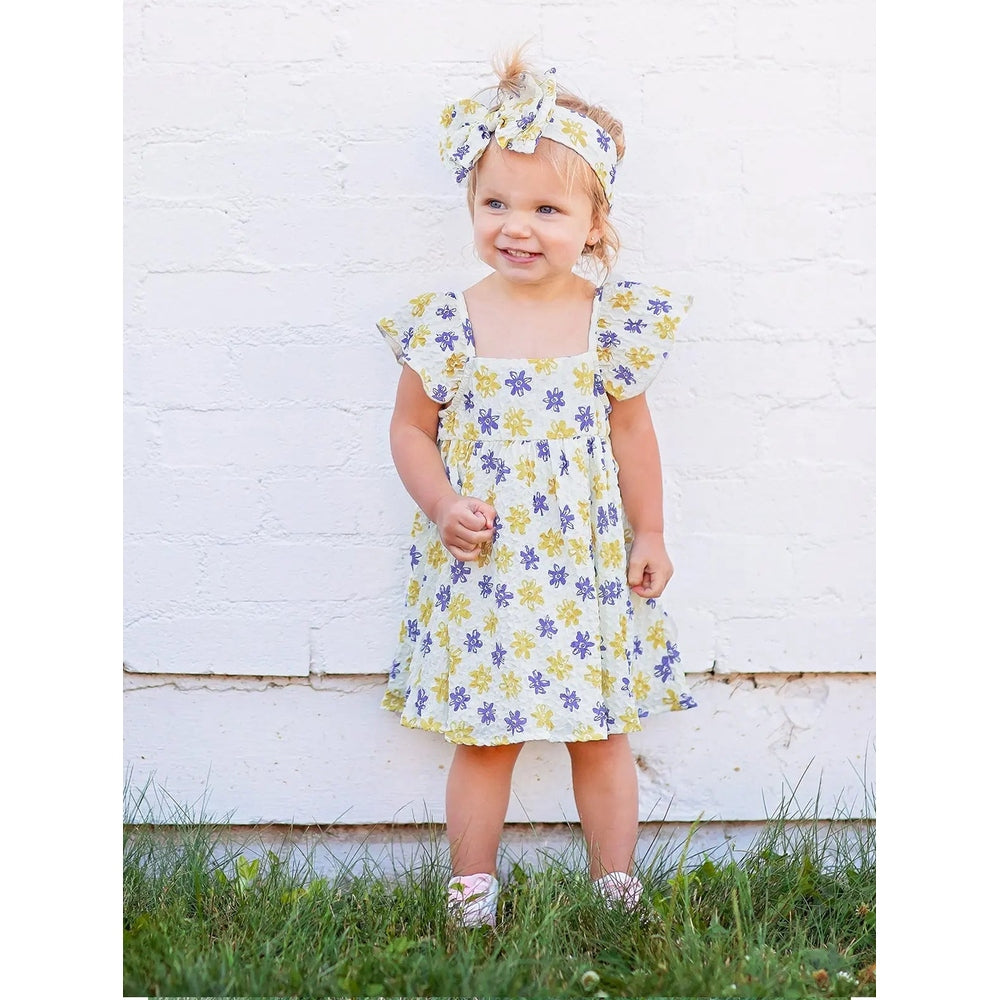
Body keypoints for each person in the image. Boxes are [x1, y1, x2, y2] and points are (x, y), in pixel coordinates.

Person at [376, 48, 697, 928]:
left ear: (596, 222)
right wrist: (442, 504)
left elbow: (632, 432)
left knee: (600, 729)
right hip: (486, 561)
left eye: (548, 209)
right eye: (496, 204)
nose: (517, 226)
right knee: (488, 734)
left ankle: (614, 886)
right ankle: (471, 889)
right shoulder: (447, 321)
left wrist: (651, 532)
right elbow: (410, 428)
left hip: (584, 562)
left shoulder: (608, 320)